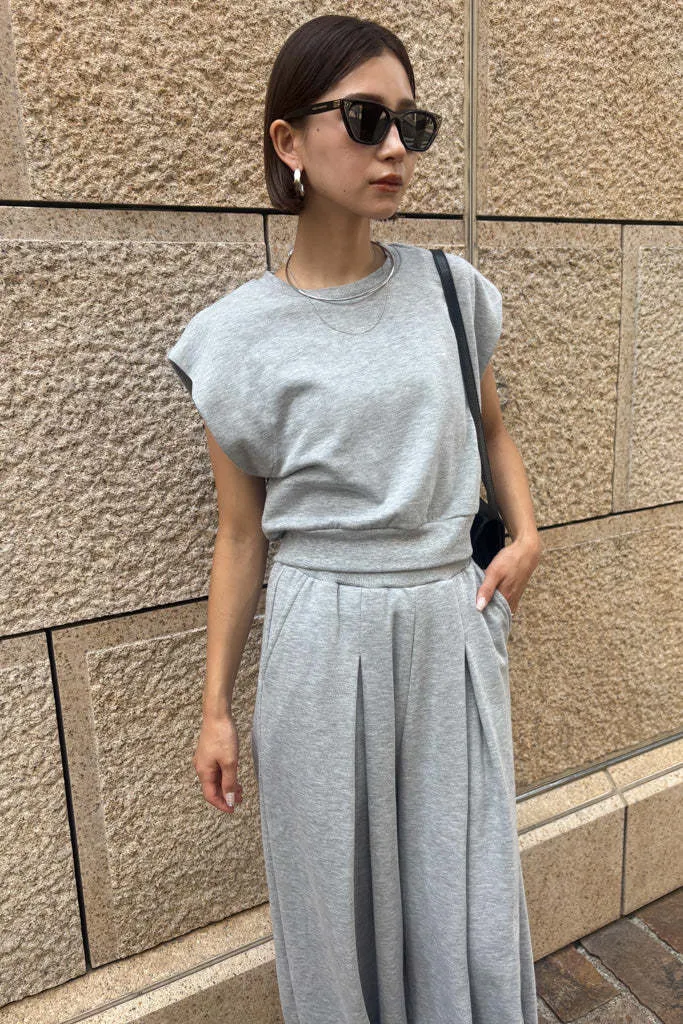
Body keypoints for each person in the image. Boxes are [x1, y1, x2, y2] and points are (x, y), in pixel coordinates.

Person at [166, 13, 542, 1024]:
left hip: (446, 620)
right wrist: (214, 708)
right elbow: (239, 535)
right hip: (318, 637)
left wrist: (525, 533)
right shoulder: (233, 339)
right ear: (287, 140)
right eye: (365, 118)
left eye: (409, 125)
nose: (392, 149)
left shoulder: (450, 291)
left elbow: (491, 428)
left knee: (463, 885)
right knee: (331, 899)